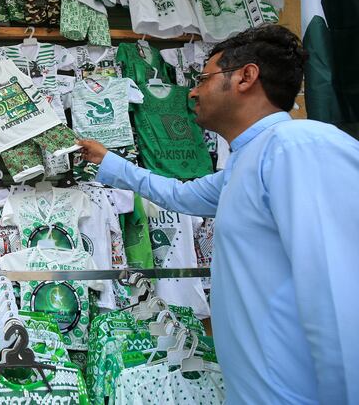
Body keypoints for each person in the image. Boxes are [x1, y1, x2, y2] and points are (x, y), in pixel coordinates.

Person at [76, 24, 359, 404]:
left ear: (246, 77)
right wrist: (108, 160)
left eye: (204, 78)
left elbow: (340, 296)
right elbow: (179, 195)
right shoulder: (247, 162)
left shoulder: (298, 148)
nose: (192, 91)